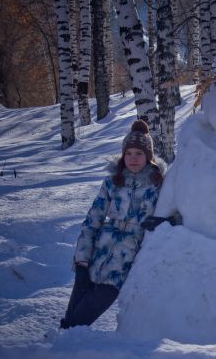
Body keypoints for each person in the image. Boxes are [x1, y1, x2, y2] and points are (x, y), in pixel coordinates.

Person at [60, 120, 165, 329]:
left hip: (124, 264)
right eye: (128, 153)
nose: (133, 158)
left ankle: (63, 349)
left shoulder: (158, 185)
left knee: (78, 322)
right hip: (94, 257)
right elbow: (92, 221)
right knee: (70, 321)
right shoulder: (112, 182)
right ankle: (61, 353)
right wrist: (81, 261)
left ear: (149, 157)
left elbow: (178, 211)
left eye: (139, 153)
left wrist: (166, 221)